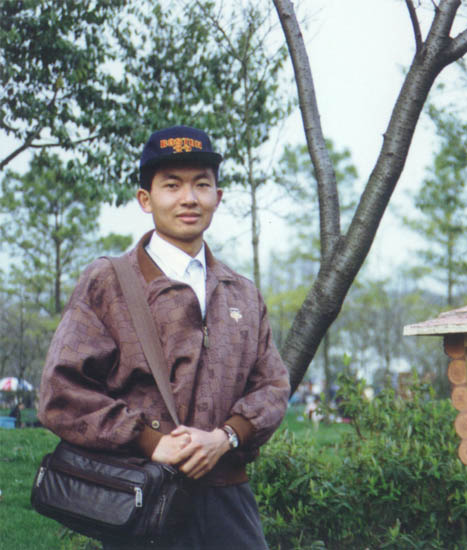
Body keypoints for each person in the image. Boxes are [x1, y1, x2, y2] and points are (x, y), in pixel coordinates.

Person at [38, 125, 291, 550]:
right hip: (142, 498)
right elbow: (61, 393)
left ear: (218, 197)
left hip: (229, 502)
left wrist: (225, 438)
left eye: (201, 185)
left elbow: (273, 386)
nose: (189, 198)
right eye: (172, 185)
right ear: (145, 198)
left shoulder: (242, 293)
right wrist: (151, 443)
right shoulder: (108, 282)